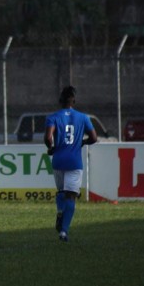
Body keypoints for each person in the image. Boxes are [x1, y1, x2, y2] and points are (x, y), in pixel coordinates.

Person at [44, 86, 97, 242]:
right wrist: (81, 143)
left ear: (60, 100)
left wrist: (51, 148)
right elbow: (94, 138)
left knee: (61, 192)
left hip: (59, 160)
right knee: (71, 197)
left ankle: (60, 211)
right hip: (74, 162)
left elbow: (48, 138)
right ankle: (64, 231)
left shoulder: (53, 117)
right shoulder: (83, 117)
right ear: (74, 100)